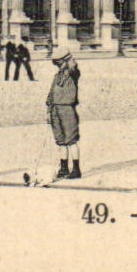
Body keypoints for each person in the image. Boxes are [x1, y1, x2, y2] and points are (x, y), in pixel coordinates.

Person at [46, 51, 82, 181]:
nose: (58, 65)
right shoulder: (57, 76)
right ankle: (64, 168)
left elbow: (74, 68)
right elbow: (51, 94)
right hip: (55, 109)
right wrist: (48, 111)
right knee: (60, 141)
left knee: (71, 140)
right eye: (57, 63)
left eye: (60, 62)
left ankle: (76, 169)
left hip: (67, 109)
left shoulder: (73, 74)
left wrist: (70, 59)